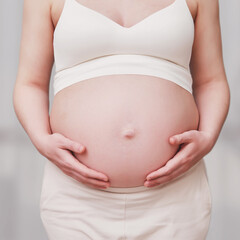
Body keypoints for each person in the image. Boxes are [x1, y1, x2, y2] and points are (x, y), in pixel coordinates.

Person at [13, 0, 230, 239]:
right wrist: (42, 140)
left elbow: (212, 81)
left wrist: (208, 136)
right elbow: (30, 84)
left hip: (174, 196)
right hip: (78, 197)